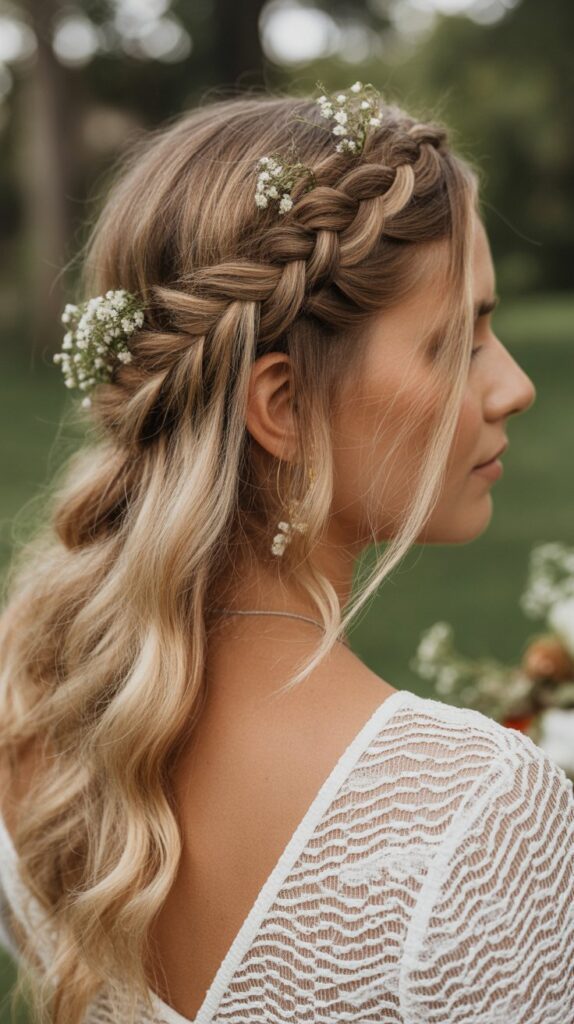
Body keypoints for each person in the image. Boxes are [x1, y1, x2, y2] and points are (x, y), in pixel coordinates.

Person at [0, 82, 572, 1024]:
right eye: (455, 342)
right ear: (285, 406)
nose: (514, 385)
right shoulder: (473, 821)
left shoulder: (35, 708)